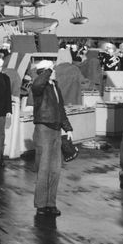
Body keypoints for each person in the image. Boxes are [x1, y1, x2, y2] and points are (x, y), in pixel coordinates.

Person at [30, 60, 73, 217]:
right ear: (45, 72)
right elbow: (37, 83)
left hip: (56, 129)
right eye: (52, 70)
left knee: (55, 169)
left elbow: (61, 109)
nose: (54, 72)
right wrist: (48, 70)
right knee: (44, 168)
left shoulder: (55, 86)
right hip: (44, 129)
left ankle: (51, 203)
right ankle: (41, 204)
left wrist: (68, 128)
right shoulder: (39, 87)